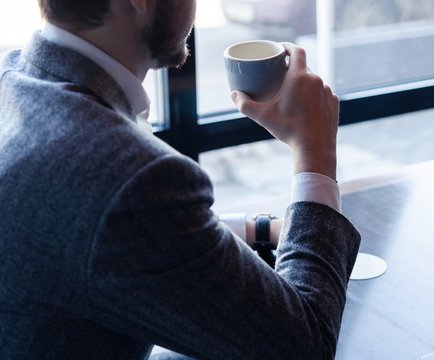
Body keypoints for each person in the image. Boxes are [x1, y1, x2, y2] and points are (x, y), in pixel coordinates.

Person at [0, 0, 361, 359]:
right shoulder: (128, 175)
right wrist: (315, 147)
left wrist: (256, 228)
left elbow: (107, 232)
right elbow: (304, 345)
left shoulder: (14, 77)